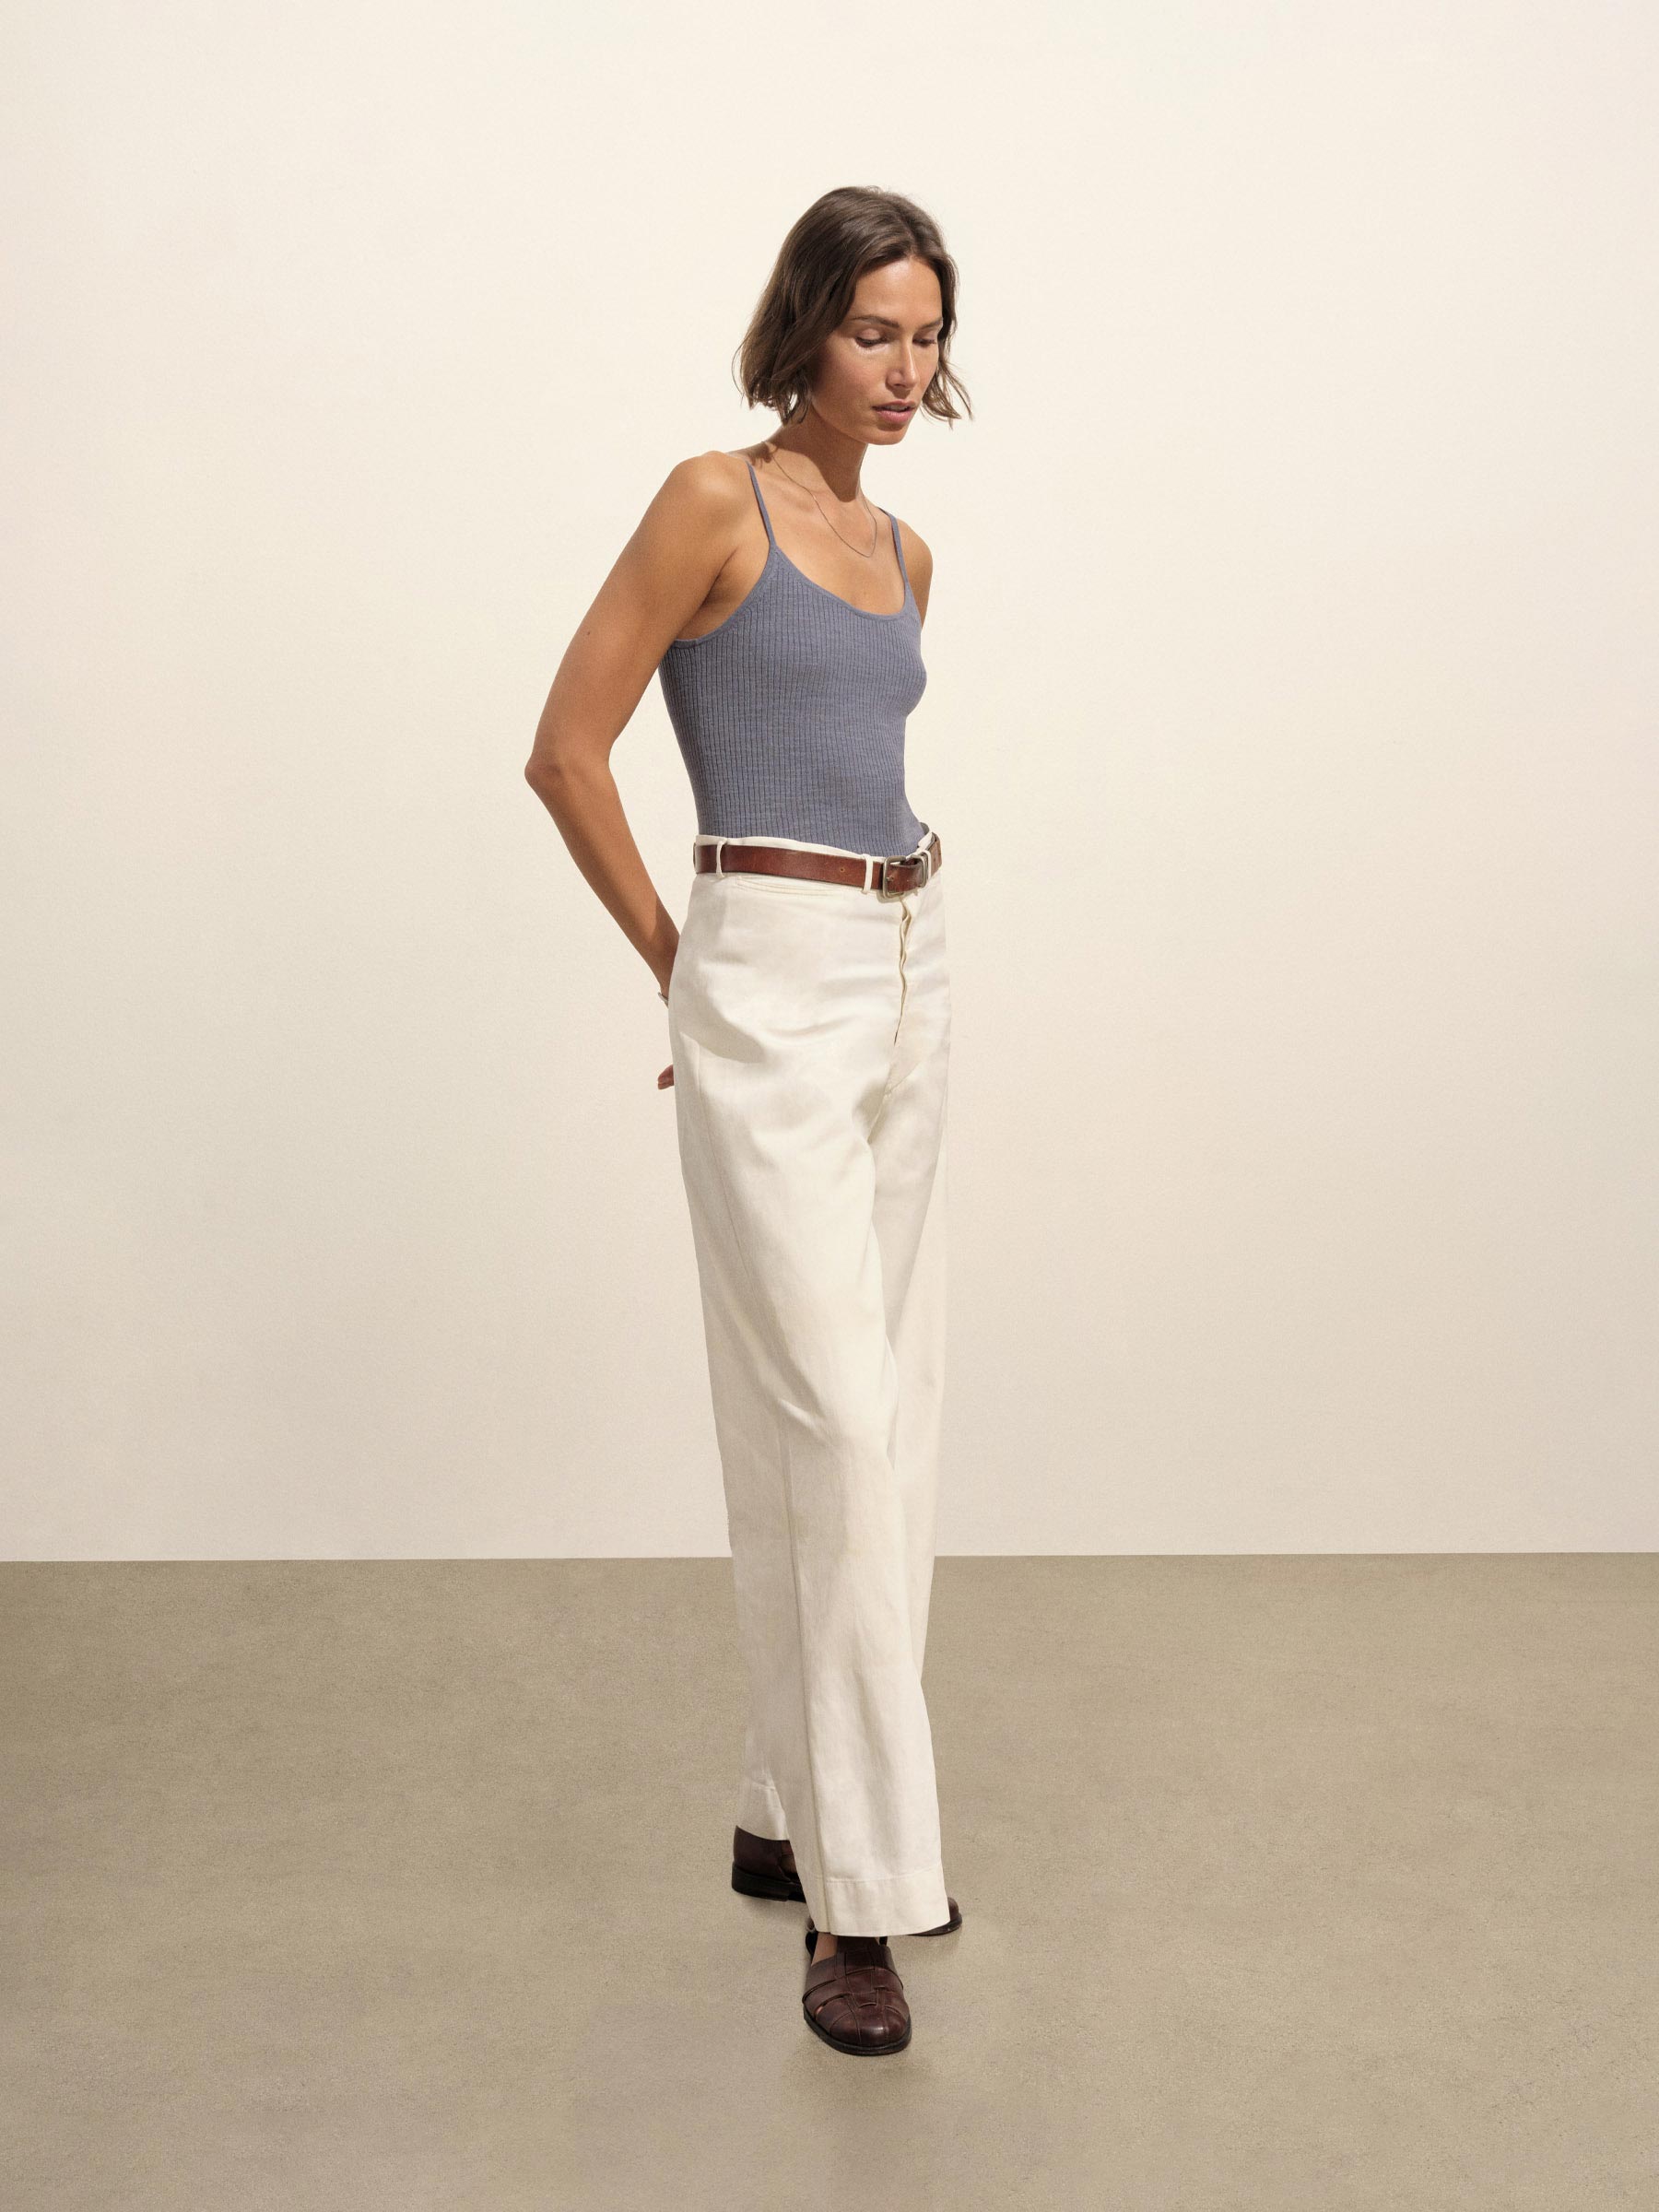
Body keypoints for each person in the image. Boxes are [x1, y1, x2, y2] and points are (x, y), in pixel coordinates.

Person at [524, 185, 971, 2056]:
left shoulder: (909, 550)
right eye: (873, 332)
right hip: (766, 966)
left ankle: (787, 1815)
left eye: (928, 336)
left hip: (912, 960)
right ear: (803, 330)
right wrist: (681, 971)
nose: (904, 369)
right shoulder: (715, 501)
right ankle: (861, 1907)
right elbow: (566, 749)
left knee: (892, 1427)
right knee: (833, 1431)